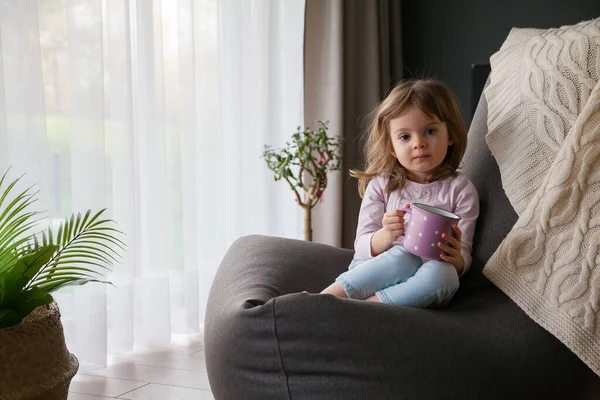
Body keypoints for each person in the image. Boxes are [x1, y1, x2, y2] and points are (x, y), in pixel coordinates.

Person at [320, 79, 479, 308]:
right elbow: (362, 245)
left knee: (445, 274)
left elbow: (465, 252)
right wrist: (386, 234)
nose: (419, 143)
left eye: (430, 131)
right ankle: (324, 300)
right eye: (405, 137)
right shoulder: (382, 184)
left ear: (450, 134)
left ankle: (367, 310)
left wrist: (457, 261)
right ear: (392, 147)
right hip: (373, 273)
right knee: (404, 257)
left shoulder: (461, 190)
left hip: (420, 284)